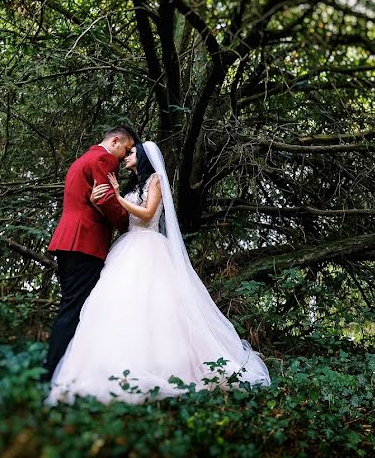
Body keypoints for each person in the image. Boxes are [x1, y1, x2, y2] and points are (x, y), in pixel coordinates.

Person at [45, 141, 271, 404]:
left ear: (141, 156)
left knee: (158, 309)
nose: (126, 156)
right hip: (127, 247)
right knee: (118, 307)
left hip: (150, 247)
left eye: (131, 153)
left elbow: (149, 212)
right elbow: (124, 219)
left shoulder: (155, 180)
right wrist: (101, 203)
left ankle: (168, 368)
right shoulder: (131, 186)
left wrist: (116, 197)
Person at [41, 125, 139, 383]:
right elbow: (107, 199)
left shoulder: (82, 160)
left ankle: (63, 370)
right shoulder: (104, 159)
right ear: (116, 141)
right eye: (126, 149)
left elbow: (89, 199)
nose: (124, 156)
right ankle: (52, 373)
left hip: (67, 240)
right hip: (86, 242)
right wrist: (127, 223)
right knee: (75, 309)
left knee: (73, 306)